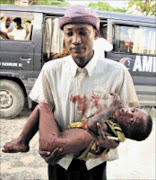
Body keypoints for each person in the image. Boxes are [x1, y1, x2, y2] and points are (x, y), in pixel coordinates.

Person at [3, 5, 140, 180]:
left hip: (95, 161)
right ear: (64, 36)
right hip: (60, 160)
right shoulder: (51, 70)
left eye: (83, 32)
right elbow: (43, 112)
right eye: (69, 33)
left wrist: (112, 142)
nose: (76, 40)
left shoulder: (117, 72)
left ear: (96, 34)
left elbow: (128, 123)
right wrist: (45, 146)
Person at [2, 94, 152, 162]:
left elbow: (93, 124)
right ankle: (22, 142)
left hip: (55, 142)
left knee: (42, 106)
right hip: (57, 145)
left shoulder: (110, 129)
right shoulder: (114, 135)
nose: (128, 112)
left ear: (129, 132)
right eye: (133, 110)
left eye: (131, 120)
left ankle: (22, 141)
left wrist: (111, 108)